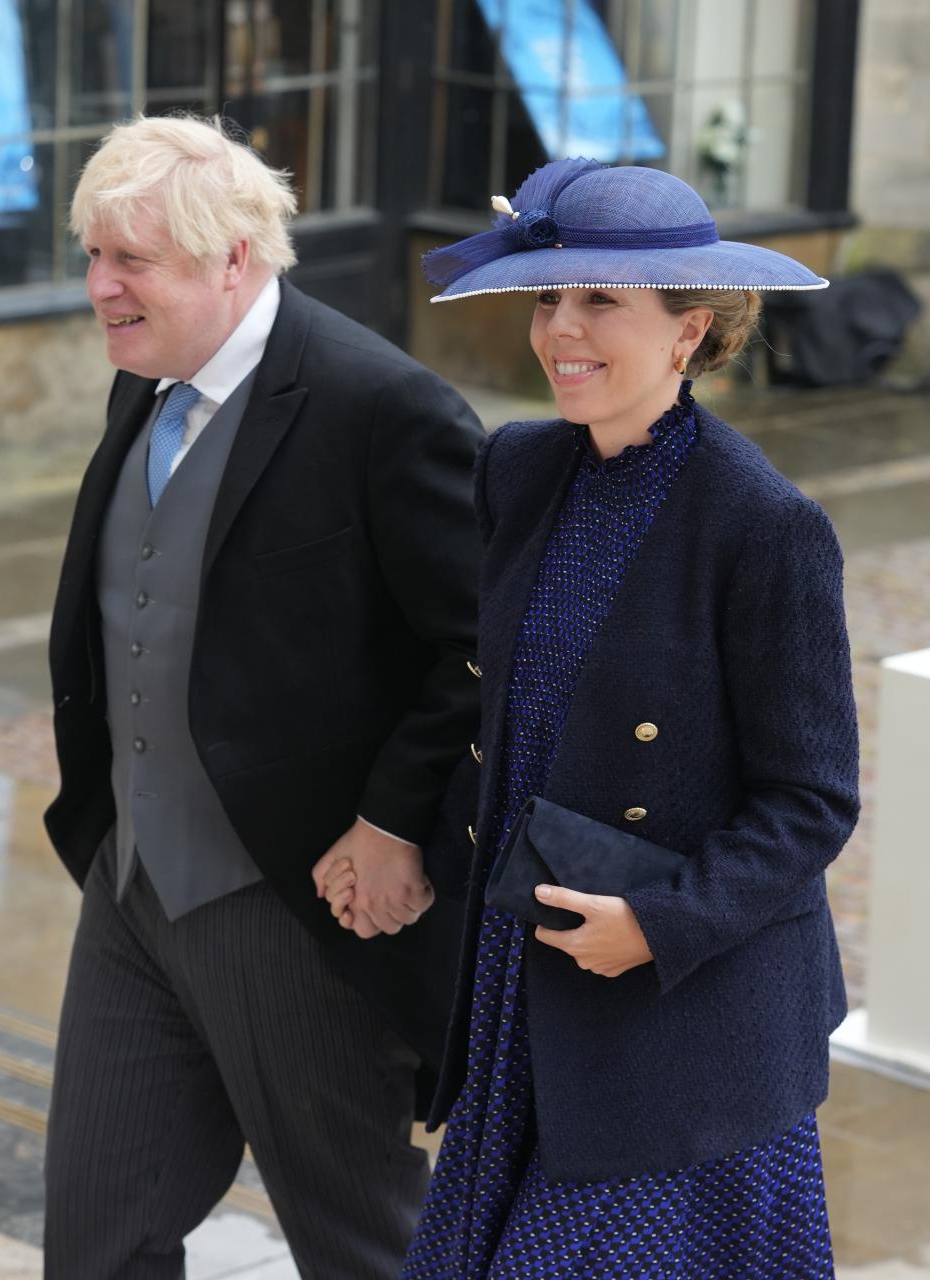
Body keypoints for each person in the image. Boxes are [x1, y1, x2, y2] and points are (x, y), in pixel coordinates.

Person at [325, 160, 859, 1278]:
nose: (561, 329)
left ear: (687, 332)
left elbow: (811, 799)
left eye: (601, 301)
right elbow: (499, 700)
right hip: (524, 984)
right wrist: (403, 825)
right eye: (547, 297)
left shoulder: (765, 524)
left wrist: (658, 922)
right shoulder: (519, 468)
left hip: (681, 1013)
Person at [42, 113, 484, 1280]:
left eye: (130, 258)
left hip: (296, 909)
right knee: (95, 1240)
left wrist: (394, 820)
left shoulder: (385, 409)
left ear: (231, 256)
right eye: (92, 254)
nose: (99, 286)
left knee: (366, 1248)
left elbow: (485, 651)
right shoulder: (145, 384)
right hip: (133, 886)